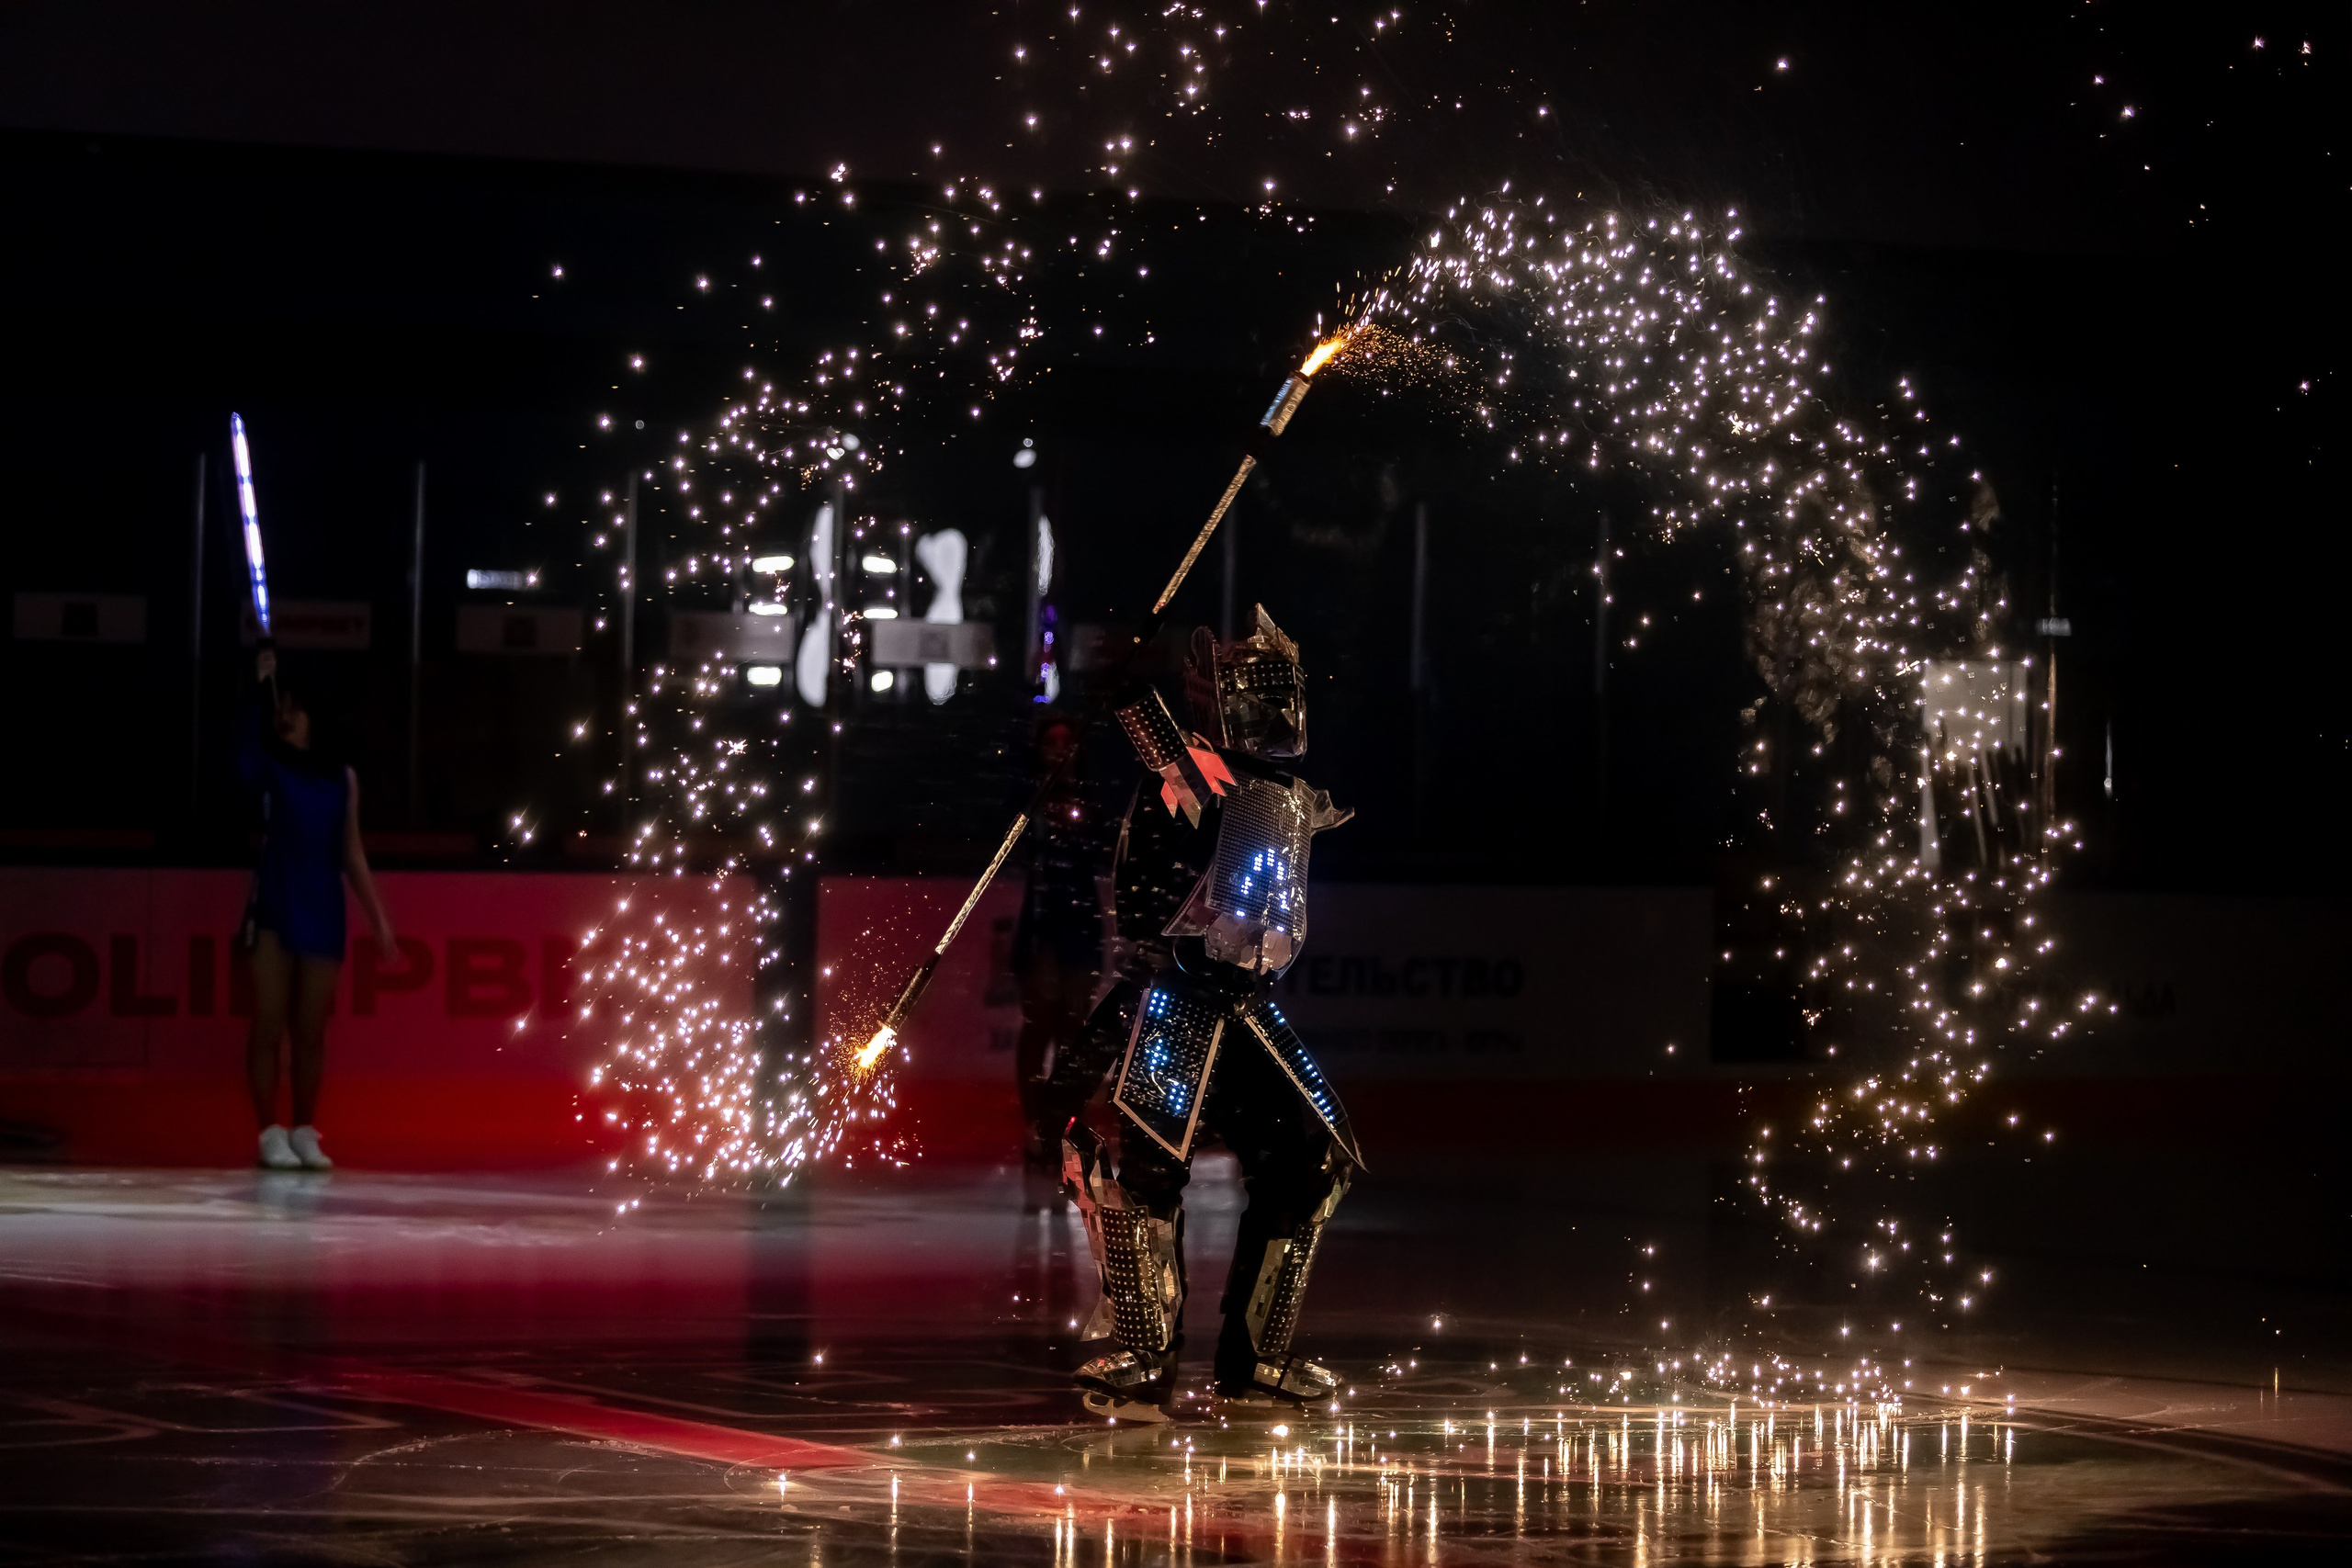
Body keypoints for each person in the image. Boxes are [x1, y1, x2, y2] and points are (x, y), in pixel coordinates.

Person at [1033, 606, 1362, 1420]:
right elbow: (1178, 766)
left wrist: (1134, 691)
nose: (1275, 707)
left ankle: (1255, 1363)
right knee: (1149, 1171)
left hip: (1247, 1003)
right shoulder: (1197, 772)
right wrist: (1129, 691)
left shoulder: (1273, 785)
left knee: (1311, 1158)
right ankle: (1144, 1358)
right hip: (1179, 994)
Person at [238, 648, 394, 1171]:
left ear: (313, 716)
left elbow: (351, 853)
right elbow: (243, 759)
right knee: (268, 1024)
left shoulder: (342, 778)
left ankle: (304, 1129)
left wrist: (378, 921)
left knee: (309, 1031)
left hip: (323, 909)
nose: (286, 713)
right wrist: (257, 691)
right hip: (275, 907)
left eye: (295, 706)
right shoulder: (268, 767)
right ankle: (268, 1131)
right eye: (280, 706)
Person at [1009, 710, 1114, 1173]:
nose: (1059, 749)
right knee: (1041, 1024)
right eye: (1050, 741)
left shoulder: (1089, 800)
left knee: (1074, 1029)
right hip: (1043, 922)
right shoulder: (1030, 799)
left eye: (1066, 742)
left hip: (1080, 923)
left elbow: (1099, 846)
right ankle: (1037, 1124)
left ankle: (1065, 1124)